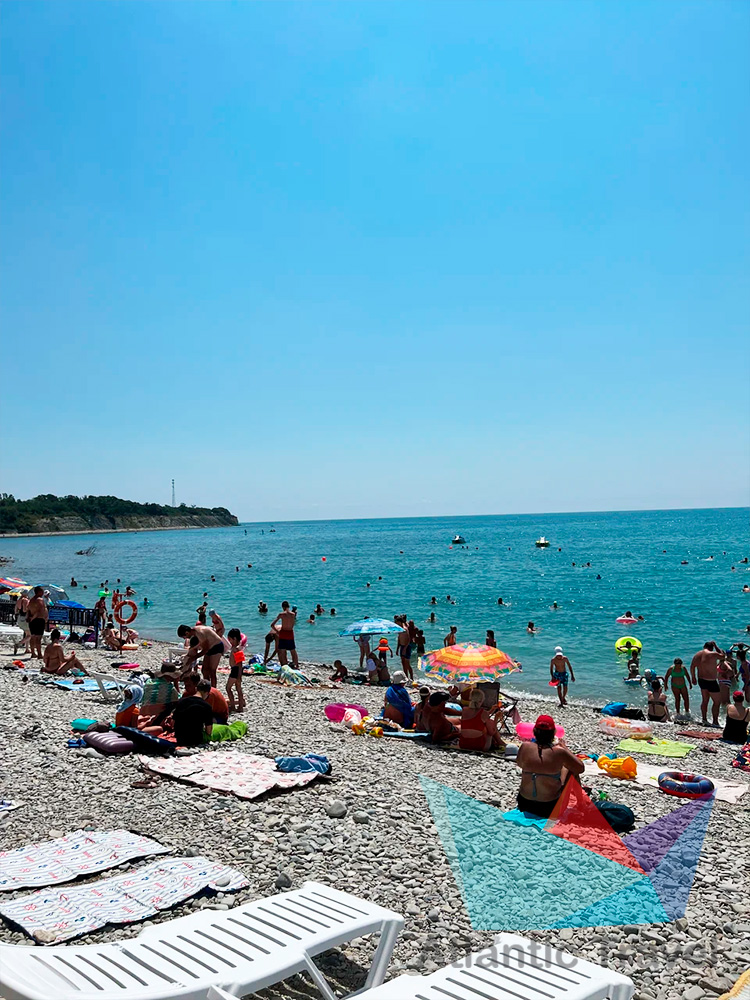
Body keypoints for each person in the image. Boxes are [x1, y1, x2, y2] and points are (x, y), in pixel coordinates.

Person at [514, 715, 584, 818]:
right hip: (549, 809)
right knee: (571, 769)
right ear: (554, 733)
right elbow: (580, 768)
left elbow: (520, 764)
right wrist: (565, 749)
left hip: (524, 804)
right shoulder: (559, 752)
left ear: (534, 731)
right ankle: (581, 805)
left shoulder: (525, 746)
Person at [176, 623, 225, 687]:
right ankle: (207, 687)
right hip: (209, 647)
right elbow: (197, 647)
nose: (185, 639)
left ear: (186, 633)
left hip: (217, 647)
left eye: (184, 637)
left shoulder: (199, 633)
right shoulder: (194, 632)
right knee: (204, 670)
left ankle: (213, 689)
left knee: (212, 671)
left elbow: (205, 650)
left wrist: (193, 658)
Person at [690, 641, 724, 727]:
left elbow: (692, 666)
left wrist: (693, 677)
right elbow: (723, 656)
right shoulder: (713, 654)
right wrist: (716, 646)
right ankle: (715, 722)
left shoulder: (697, 654)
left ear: (704, 646)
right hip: (711, 681)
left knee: (705, 700)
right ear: (712, 648)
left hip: (701, 680)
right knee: (717, 702)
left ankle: (704, 719)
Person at [171, 683, 214, 747]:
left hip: (180, 739)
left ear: (196, 689)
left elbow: (172, 723)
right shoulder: (207, 706)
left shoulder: (182, 701)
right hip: (195, 739)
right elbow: (209, 731)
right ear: (207, 693)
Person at [271, 601, 299, 668]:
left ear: (283, 607)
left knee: (283, 651)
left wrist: (277, 632)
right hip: (290, 633)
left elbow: (272, 625)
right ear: (289, 606)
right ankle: (296, 666)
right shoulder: (293, 614)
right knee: (293, 651)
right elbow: (293, 624)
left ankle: (285, 666)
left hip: (283, 633)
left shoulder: (281, 614)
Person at [226, 628, 246, 712]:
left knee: (228, 688)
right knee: (238, 689)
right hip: (235, 670)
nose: (229, 641)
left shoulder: (236, 649)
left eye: (230, 639)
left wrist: (239, 675)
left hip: (235, 671)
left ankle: (233, 706)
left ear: (234, 639)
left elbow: (240, 664)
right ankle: (240, 706)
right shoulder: (235, 648)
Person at [26, 587, 48, 659]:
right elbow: (39, 610)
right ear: (39, 592)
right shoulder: (40, 600)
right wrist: (33, 618)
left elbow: (28, 610)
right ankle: (39, 654)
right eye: (42, 591)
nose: (43, 593)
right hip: (39, 620)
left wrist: (30, 618)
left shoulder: (31, 600)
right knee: (38, 638)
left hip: (32, 620)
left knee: (32, 637)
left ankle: (33, 653)